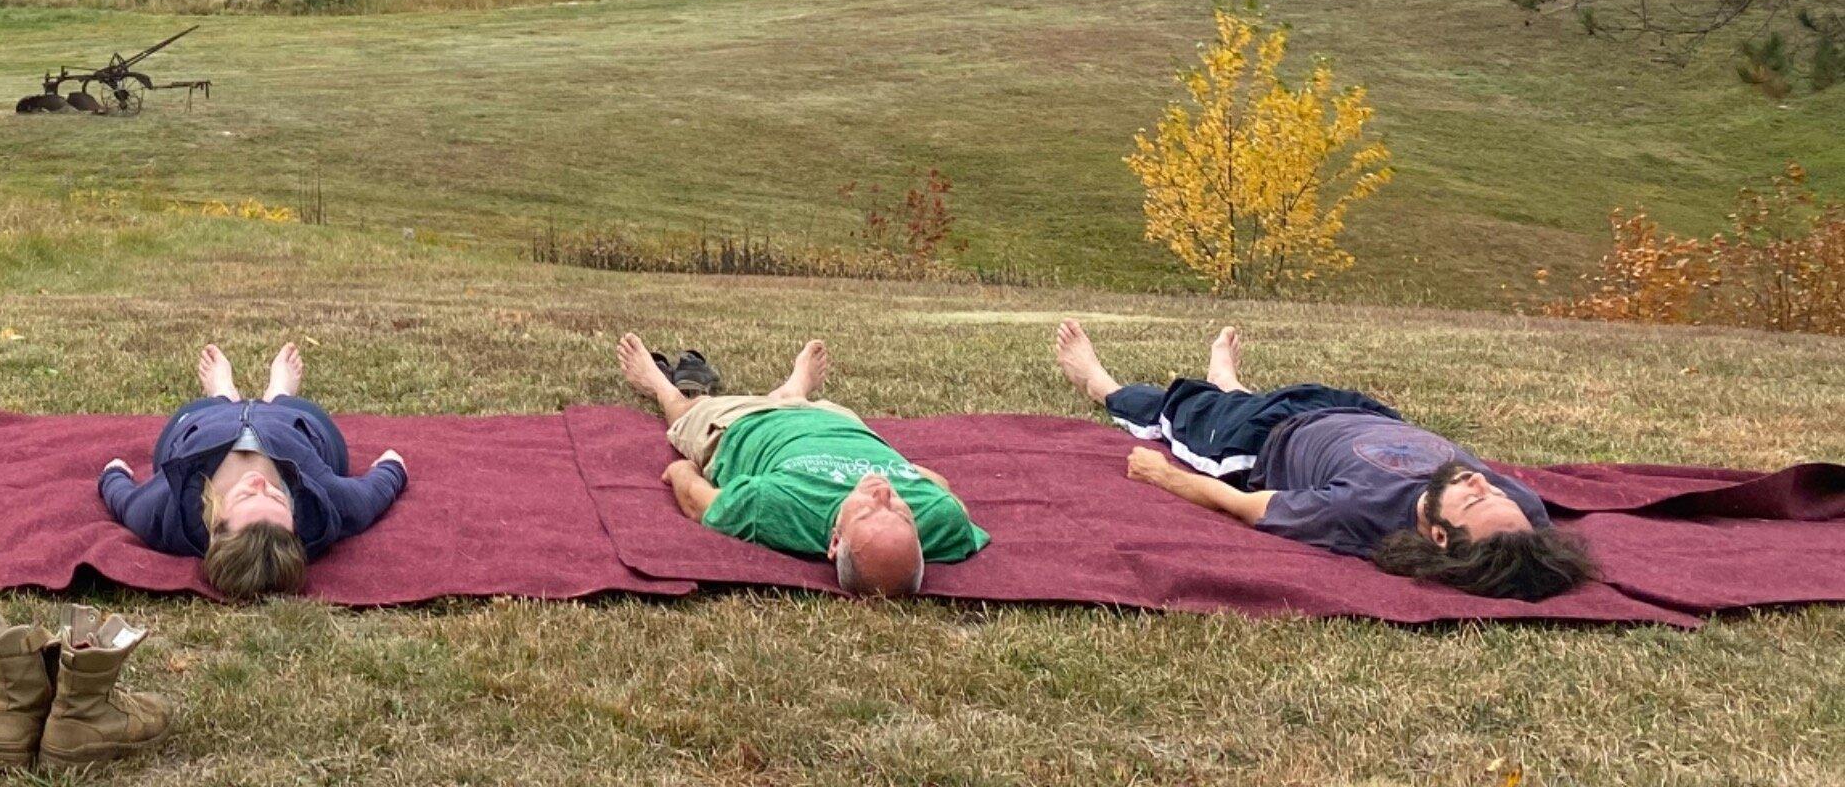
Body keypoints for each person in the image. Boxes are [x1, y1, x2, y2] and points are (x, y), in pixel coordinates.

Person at [1054, 318, 1597, 601]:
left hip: (1259, 440)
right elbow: (1522, 558)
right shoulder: (1520, 517)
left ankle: (1100, 383)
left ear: (1438, 536)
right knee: (1242, 395)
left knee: (1184, 409)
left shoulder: (1359, 513)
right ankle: (1231, 383)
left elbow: (1247, 507)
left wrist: (1164, 476)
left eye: (1473, 500)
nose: (1481, 482)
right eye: (1493, 490)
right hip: (1361, 413)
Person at [618, 331, 985, 597]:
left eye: (867, 512)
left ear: (835, 542)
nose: (883, 494)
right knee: (795, 399)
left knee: (687, 409)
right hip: (837, 420)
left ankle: (659, 384)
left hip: (745, 423)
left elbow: (701, 503)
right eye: (902, 514)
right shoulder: (941, 521)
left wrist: (681, 470)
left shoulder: (778, 508)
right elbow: (940, 489)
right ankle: (793, 391)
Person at [99, 342, 408, 599]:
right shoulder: (322, 504)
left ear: (215, 526)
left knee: (195, 414)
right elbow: (369, 497)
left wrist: (113, 474)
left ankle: (222, 393)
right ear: (295, 526)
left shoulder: (165, 508)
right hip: (292, 421)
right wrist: (392, 467)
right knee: (307, 416)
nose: (260, 483)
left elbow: (125, 501)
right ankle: (280, 393)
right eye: (276, 498)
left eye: (247, 496)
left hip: (203, 422)